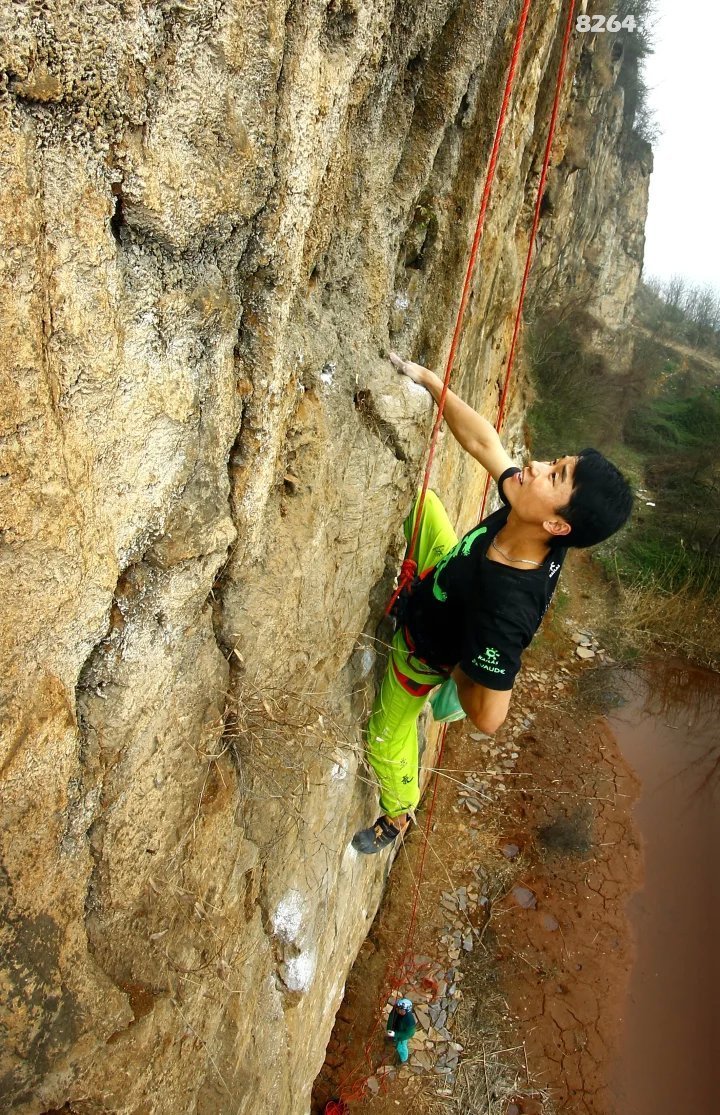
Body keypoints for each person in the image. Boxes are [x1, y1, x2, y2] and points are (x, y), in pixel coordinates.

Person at [352, 352, 633, 854]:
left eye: (555, 475)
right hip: (448, 574)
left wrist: (459, 661)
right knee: (422, 504)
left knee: (383, 736)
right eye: (556, 462)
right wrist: (432, 383)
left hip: (423, 652)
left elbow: (489, 717)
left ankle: (398, 812)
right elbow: (485, 442)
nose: (537, 465)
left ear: (558, 525)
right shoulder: (530, 520)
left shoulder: (506, 608)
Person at [386, 997, 417, 1063]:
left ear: (405, 1010)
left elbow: (408, 1034)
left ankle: (402, 1059)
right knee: (394, 1041)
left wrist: (395, 1034)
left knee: (401, 1047)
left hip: (403, 1035)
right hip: (397, 1029)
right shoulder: (397, 1011)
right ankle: (392, 1040)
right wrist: (389, 1029)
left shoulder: (409, 1022)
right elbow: (391, 1018)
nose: (397, 1009)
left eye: (399, 1009)